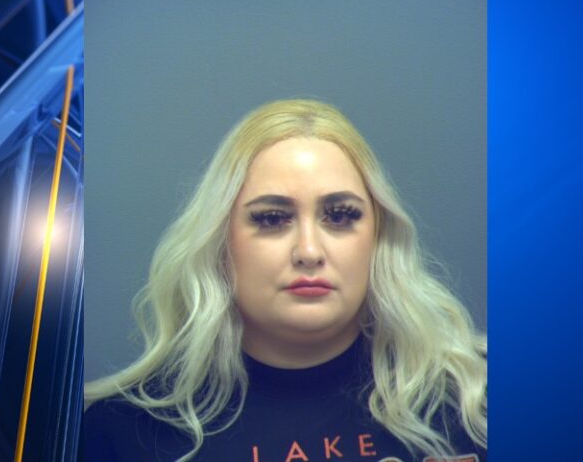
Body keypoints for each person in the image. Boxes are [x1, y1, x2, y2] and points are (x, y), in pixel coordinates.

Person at [83, 99, 487, 462]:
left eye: (340, 215)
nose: (309, 251)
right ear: (221, 241)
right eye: (273, 219)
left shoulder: (479, 401)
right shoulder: (120, 432)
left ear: (378, 237)